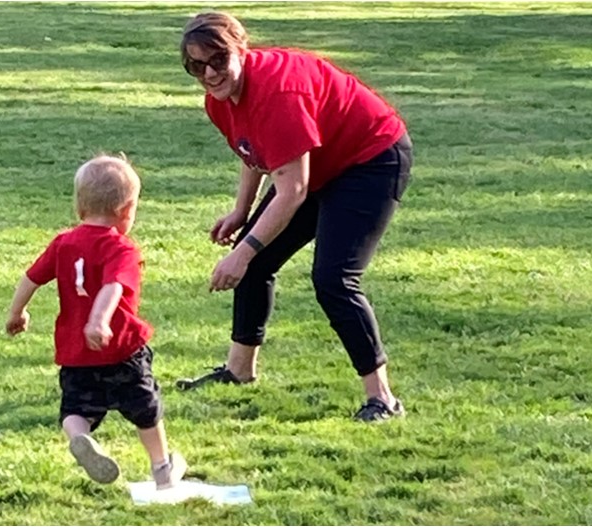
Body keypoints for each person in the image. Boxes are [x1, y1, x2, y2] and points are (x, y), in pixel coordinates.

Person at [174, 12, 413, 422]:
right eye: (196, 66)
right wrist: (242, 212)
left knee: (333, 279)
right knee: (255, 254)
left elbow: (294, 191)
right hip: (315, 165)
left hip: (370, 160)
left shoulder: (278, 93)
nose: (210, 74)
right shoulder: (219, 100)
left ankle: (383, 399)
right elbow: (254, 148)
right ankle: (239, 371)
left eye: (218, 60)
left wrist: (242, 253)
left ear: (242, 50)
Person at [5, 154, 187, 488]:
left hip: (76, 353)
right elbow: (114, 285)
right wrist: (99, 321)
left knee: (75, 408)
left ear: (79, 205)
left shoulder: (63, 243)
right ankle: (162, 469)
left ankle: (80, 438)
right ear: (127, 210)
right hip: (120, 348)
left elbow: (31, 278)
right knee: (146, 408)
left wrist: (17, 312)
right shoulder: (122, 248)